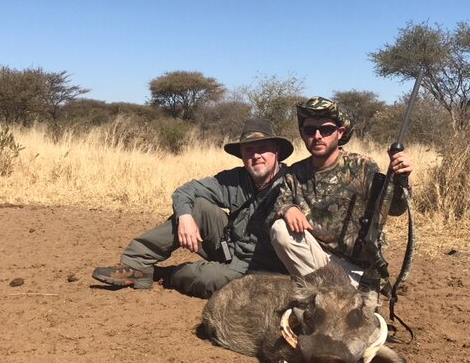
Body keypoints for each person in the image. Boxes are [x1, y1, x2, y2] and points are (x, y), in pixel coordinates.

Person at [92, 119, 294, 298]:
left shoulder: (294, 183)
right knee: (197, 206)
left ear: (276, 151)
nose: (256, 155)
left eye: (262, 148)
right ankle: (134, 264)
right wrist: (186, 217)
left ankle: (165, 274)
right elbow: (185, 191)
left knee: (205, 278)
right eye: (248, 149)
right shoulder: (236, 179)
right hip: (230, 247)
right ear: (241, 155)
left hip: (257, 269)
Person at [269, 96, 413, 287]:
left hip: (354, 269)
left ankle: (332, 294)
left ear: (340, 132)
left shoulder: (363, 166)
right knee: (280, 229)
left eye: (326, 130)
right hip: (316, 263)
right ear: (302, 134)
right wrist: (287, 209)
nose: (318, 136)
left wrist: (400, 178)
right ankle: (332, 295)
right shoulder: (294, 173)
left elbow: (395, 208)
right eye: (310, 130)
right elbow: (274, 210)